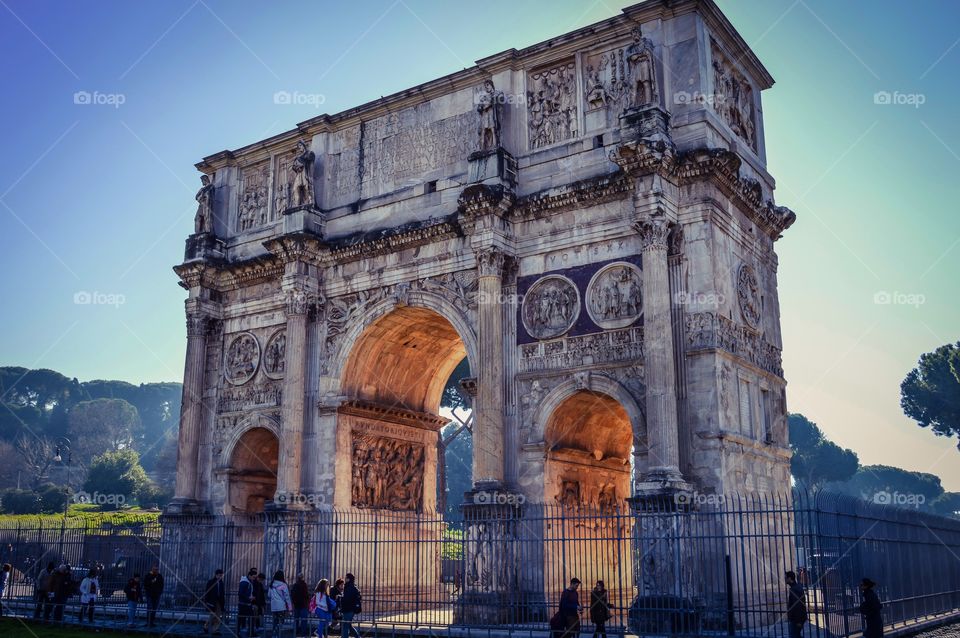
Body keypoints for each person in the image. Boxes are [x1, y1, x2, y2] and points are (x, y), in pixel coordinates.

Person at [268, 570, 292, 637]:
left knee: (275, 622)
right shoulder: (283, 585)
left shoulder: (271, 584)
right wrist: (290, 608)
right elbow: (287, 597)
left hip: (273, 607)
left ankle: (274, 635)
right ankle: (278, 635)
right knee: (280, 622)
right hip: (281, 607)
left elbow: (269, 595)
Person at [202, 569, 226, 635]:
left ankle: (214, 630)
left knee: (218, 616)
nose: (221, 577)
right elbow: (207, 592)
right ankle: (206, 626)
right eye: (219, 575)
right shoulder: (210, 582)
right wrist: (206, 601)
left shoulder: (221, 583)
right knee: (212, 616)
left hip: (219, 601)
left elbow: (222, 594)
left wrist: (223, 604)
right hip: (212, 601)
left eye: (221, 575)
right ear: (216, 575)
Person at [785, 571, 808, 638]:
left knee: (793, 635)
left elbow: (798, 606)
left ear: (789, 578)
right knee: (796, 635)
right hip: (796, 618)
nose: (785, 579)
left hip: (797, 619)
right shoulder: (795, 587)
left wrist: (799, 621)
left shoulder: (795, 589)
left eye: (786, 578)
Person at [339, 573, 362, 638]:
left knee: (345, 626)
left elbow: (347, 599)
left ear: (348, 579)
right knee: (348, 625)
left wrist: (341, 598)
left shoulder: (349, 587)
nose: (345, 579)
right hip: (350, 609)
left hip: (348, 609)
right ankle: (357, 636)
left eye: (346, 578)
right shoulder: (352, 587)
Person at [238, 568, 258, 637]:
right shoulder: (244, 582)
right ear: (249, 575)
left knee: (249, 618)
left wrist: (251, 597)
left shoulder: (249, 582)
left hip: (247, 603)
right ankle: (240, 633)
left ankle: (250, 632)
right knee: (241, 619)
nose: (254, 579)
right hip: (243, 604)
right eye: (253, 577)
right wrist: (249, 597)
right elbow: (240, 593)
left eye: (255, 578)